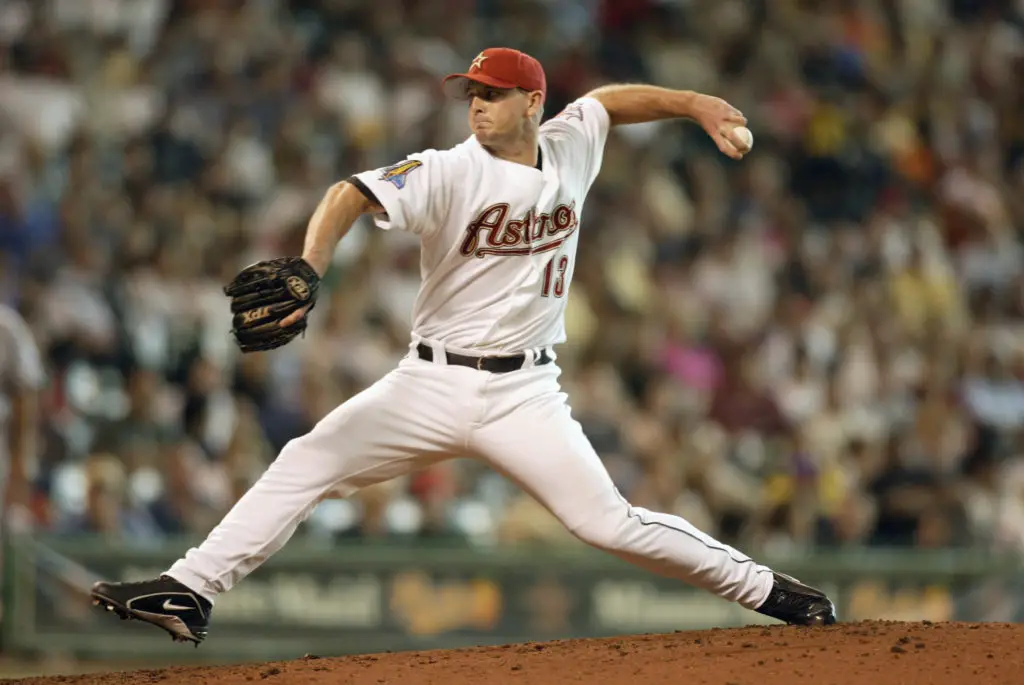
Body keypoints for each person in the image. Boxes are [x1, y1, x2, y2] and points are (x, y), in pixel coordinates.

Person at [91, 47, 836, 645]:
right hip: (429, 383)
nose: (476, 103)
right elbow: (350, 191)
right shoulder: (448, 169)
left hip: (526, 394)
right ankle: (189, 589)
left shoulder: (572, 145)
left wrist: (695, 104)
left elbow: (609, 101)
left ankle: (772, 591)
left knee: (607, 523)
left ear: (533, 105)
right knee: (307, 458)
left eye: (492, 92)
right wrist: (311, 266)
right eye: (471, 92)